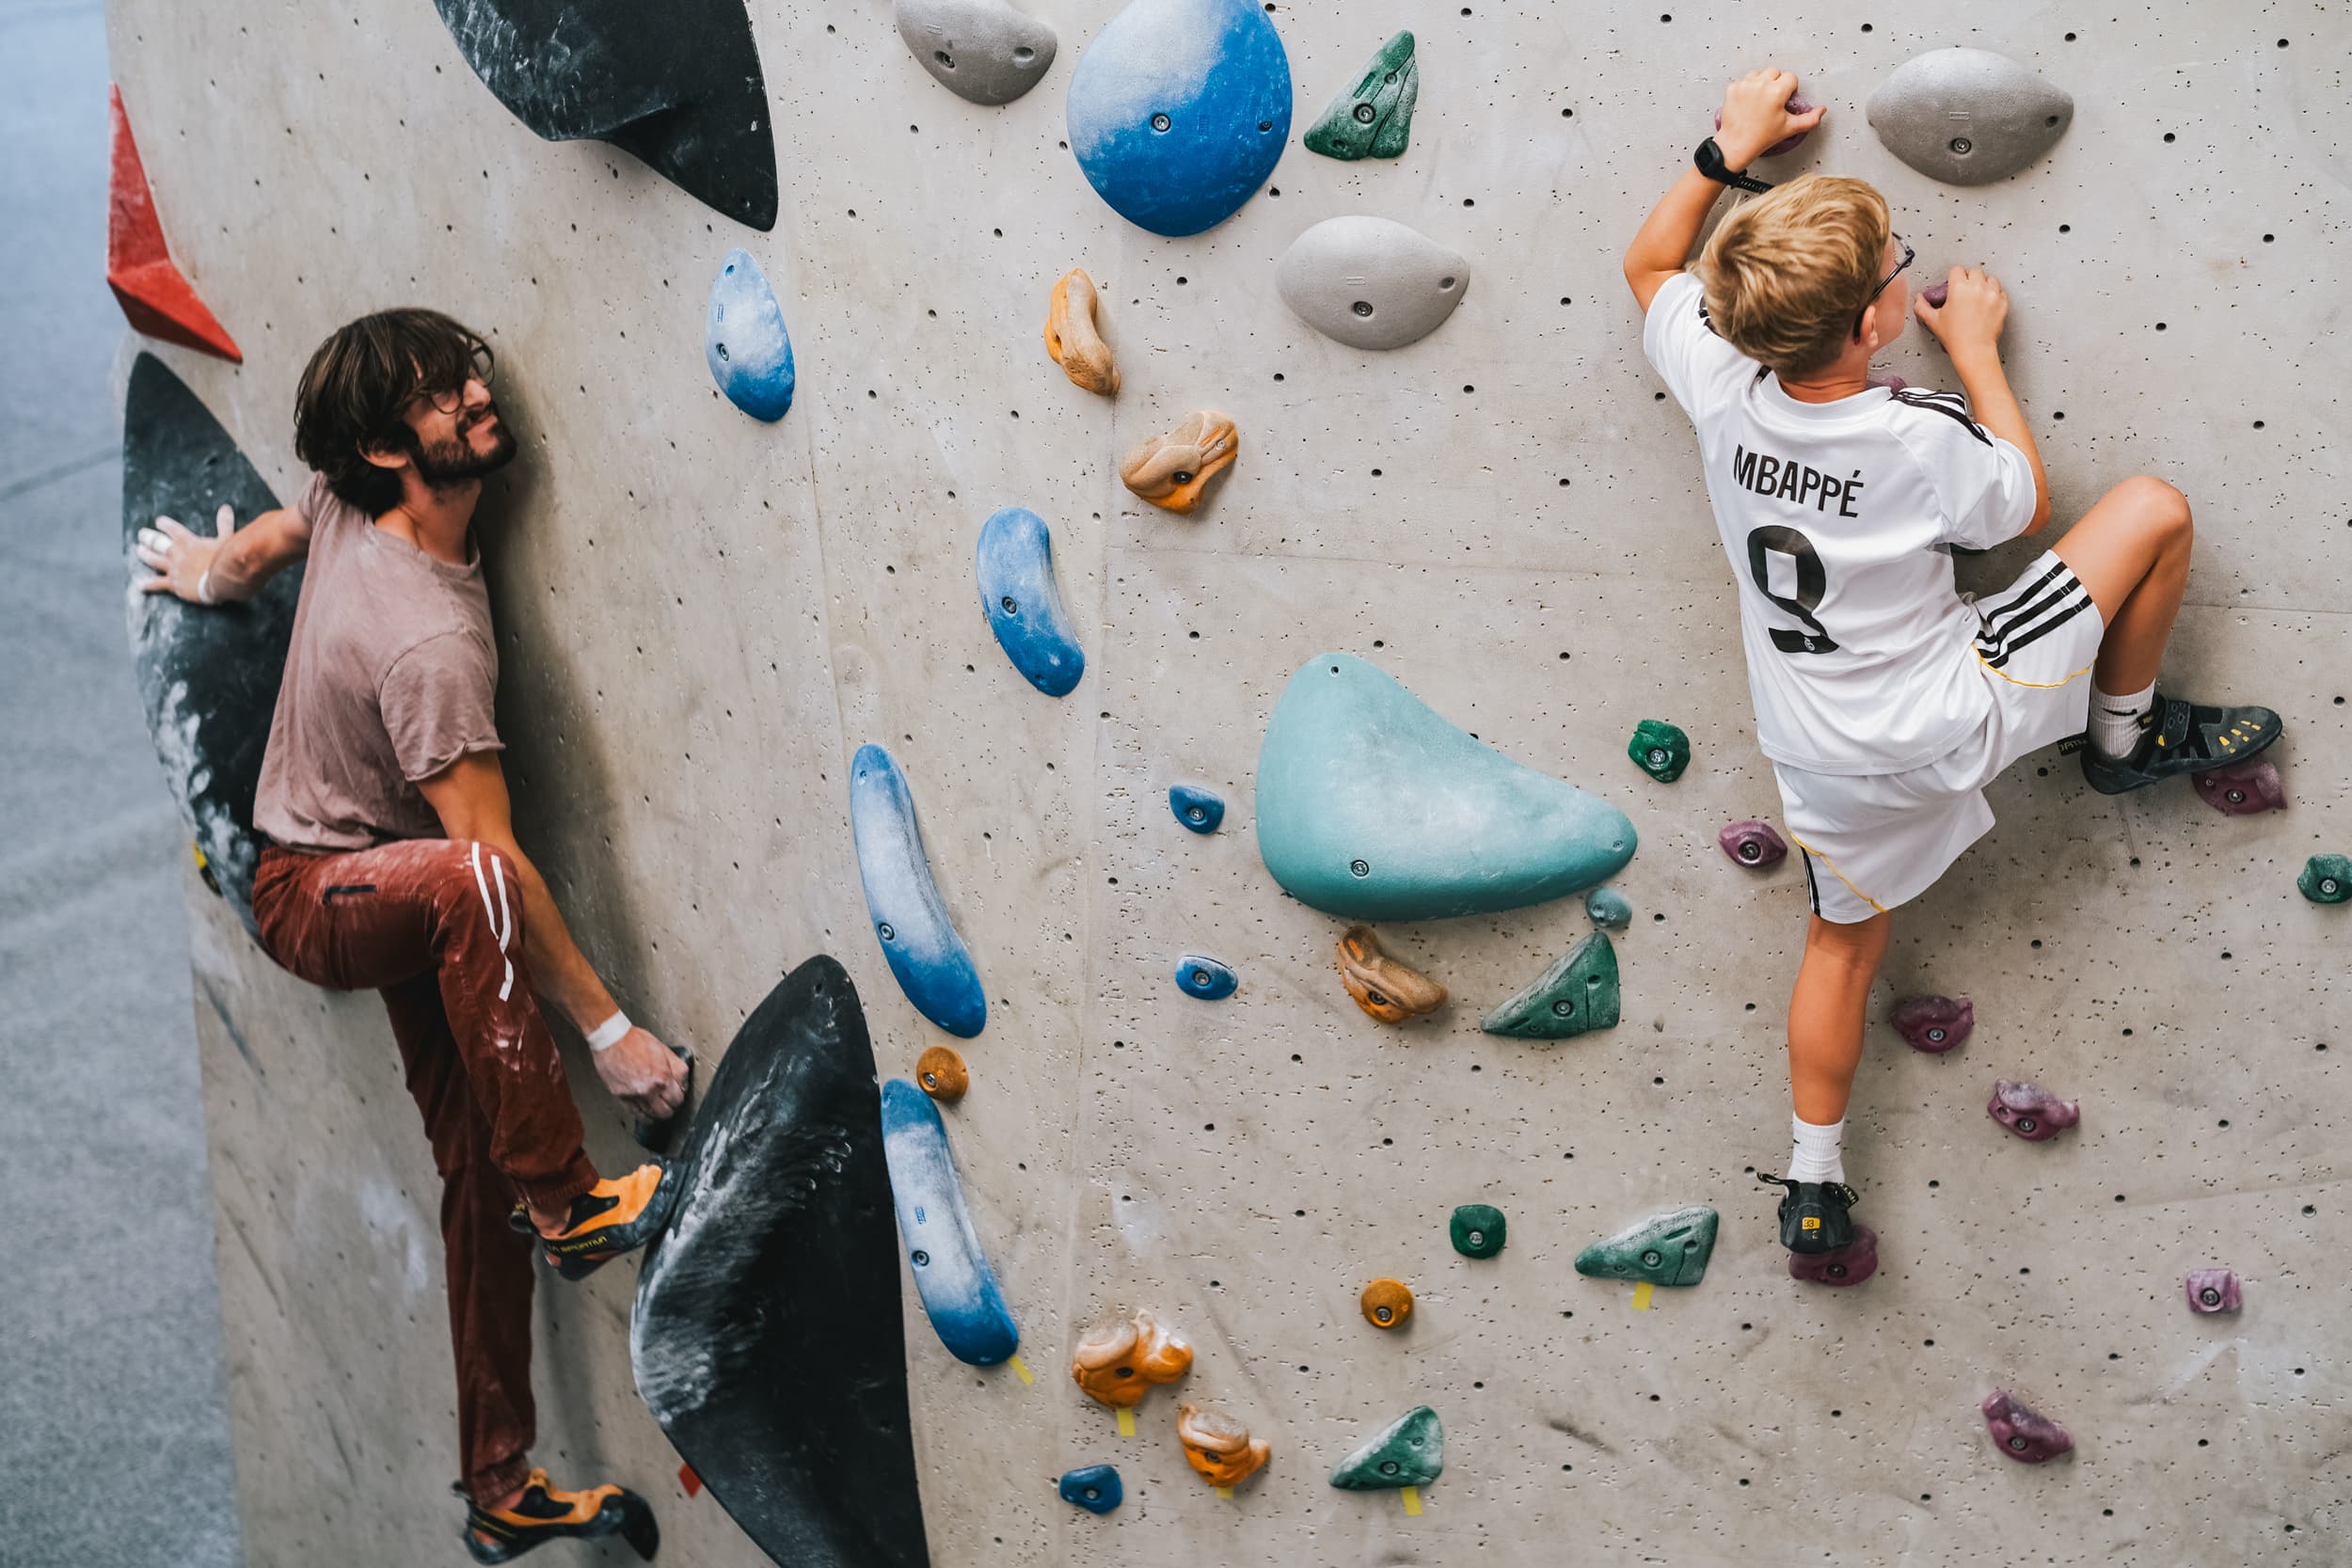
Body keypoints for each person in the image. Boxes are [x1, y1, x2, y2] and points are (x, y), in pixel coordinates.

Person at [1620, 73, 2280, 1270]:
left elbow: (1647, 266)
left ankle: (1812, 1180)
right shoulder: (1913, 434)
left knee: (1839, 948)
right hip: (1952, 709)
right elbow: (2018, 501)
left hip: (1819, 760)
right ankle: (2122, 740)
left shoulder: (1720, 388)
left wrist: (1728, 150)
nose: (1901, 275)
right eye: (1894, 269)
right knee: (2152, 510)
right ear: (1875, 325)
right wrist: (1974, 349)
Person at [136, 309, 690, 1561]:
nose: (479, 394)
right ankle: (570, 1203)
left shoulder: (350, 507)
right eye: (446, 395)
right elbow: (490, 876)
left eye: (470, 372)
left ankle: (499, 1484)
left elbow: (283, 529)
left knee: (471, 1168)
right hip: (321, 897)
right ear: (390, 449)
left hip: (378, 881)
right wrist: (612, 1034)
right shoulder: (432, 646)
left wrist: (216, 572)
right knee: (467, 881)